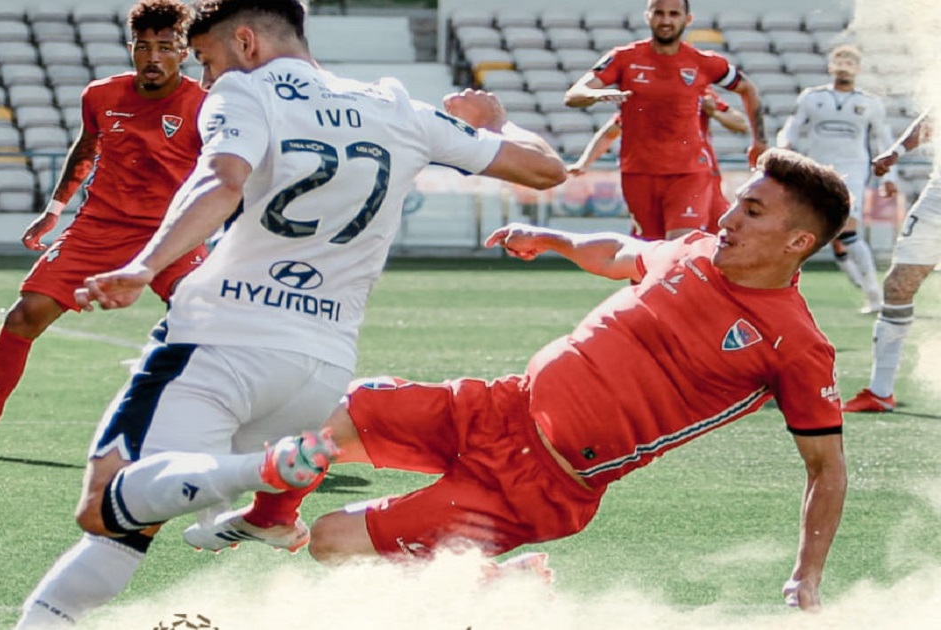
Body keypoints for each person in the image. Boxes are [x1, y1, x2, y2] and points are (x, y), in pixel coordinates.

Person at [14, 0, 569, 626]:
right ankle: (270, 509)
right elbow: (548, 170)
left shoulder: (246, 93)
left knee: (104, 510)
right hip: (319, 369)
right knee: (159, 523)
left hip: (219, 343)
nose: (203, 81)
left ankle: (262, 474)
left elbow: (221, 180)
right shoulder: (398, 107)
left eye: (207, 61)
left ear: (246, 43)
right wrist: (499, 122)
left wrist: (145, 266)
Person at [197, 149, 851, 612]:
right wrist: (552, 237)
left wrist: (807, 573)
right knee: (334, 410)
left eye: (754, 212)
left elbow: (826, 468)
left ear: (797, 242)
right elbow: (623, 254)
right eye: (738, 201)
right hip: (498, 405)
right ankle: (271, 517)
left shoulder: (795, 346)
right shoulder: (695, 252)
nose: (729, 218)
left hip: (538, 484)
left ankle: (503, 585)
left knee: (335, 542)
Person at [0, 0, 209, 458]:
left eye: (165, 47)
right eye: (143, 46)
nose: (153, 58)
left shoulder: (207, 106)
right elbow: (86, 148)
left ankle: (250, 437)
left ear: (185, 51)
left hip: (171, 234)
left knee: (216, 326)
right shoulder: (100, 96)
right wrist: (54, 209)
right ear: (131, 48)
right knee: (24, 315)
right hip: (98, 227)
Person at [564, 0, 766, 241]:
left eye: (674, 14)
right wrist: (592, 95)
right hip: (638, 173)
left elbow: (748, 90)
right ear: (648, 16)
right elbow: (575, 96)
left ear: (687, 19)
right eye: (659, 13)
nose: (666, 20)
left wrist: (759, 141)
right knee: (649, 251)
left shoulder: (703, 62)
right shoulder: (623, 58)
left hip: (689, 172)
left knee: (680, 245)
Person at [776, 45, 898, 314]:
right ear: (831, 66)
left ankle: (875, 296)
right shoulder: (812, 98)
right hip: (819, 171)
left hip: (853, 172)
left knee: (848, 230)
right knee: (829, 234)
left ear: (859, 69)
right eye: (840, 60)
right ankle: (858, 278)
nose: (845, 65)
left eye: (851, 61)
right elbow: (793, 127)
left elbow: (883, 140)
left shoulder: (869, 103)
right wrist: (783, 147)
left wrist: (890, 176)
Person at [843, 110, 939, 412]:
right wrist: (895, 152)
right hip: (937, 199)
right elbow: (931, 118)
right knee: (897, 287)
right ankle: (880, 392)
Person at [568, 86, 749, 230]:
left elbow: (740, 124)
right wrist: (584, 162)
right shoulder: (644, 100)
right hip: (653, 180)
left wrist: (714, 112)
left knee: (717, 236)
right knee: (655, 242)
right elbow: (610, 131)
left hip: (699, 179)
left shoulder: (698, 92)